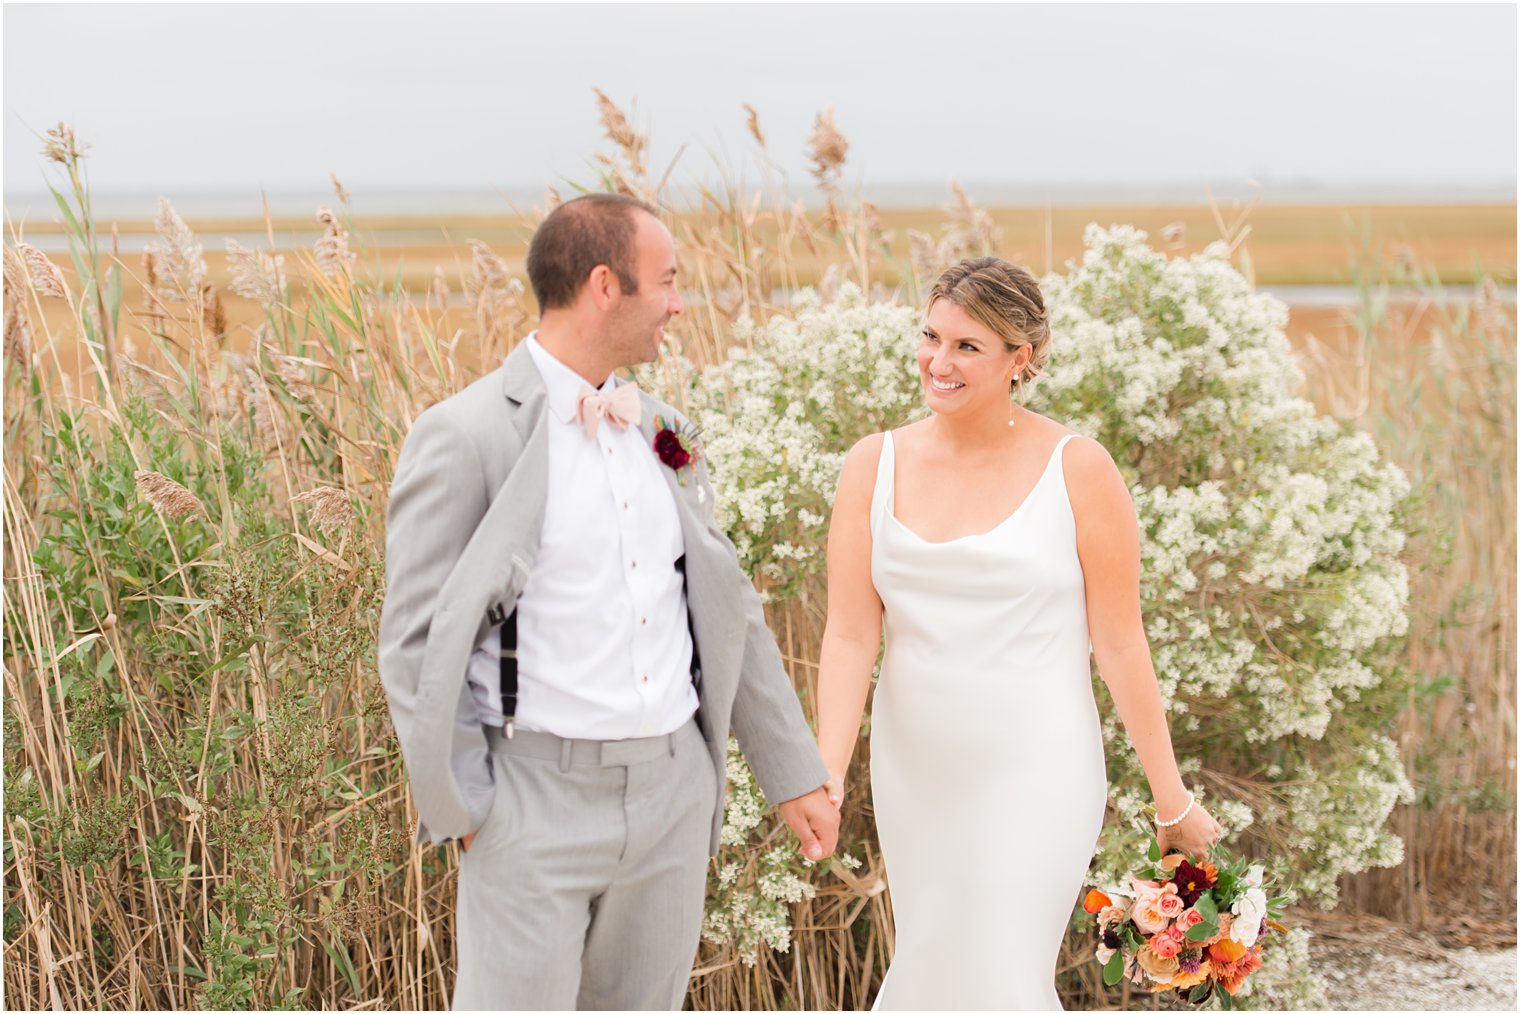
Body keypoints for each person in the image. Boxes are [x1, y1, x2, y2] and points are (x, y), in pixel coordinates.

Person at [378, 192, 838, 1010]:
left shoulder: (666, 430)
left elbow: (726, 603)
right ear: (603, 285)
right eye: (666, 280)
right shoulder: (466, 433)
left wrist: (792, 770)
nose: (679, 302)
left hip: (671, 796)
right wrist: (468, 807)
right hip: (528, 803)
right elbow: (415, 641)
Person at [814, 257, 1225, 1010]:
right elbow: (848, 635)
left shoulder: (1078, 469)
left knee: (1002, 972)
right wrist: (828, 779)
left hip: (1039, 769)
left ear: (1020, 359)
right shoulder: (872, 465)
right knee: (931, 971)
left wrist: (1172, 801)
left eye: (968, 347)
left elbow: (1121, 643)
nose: (939, 362)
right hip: (916, 773)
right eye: (932, 337)